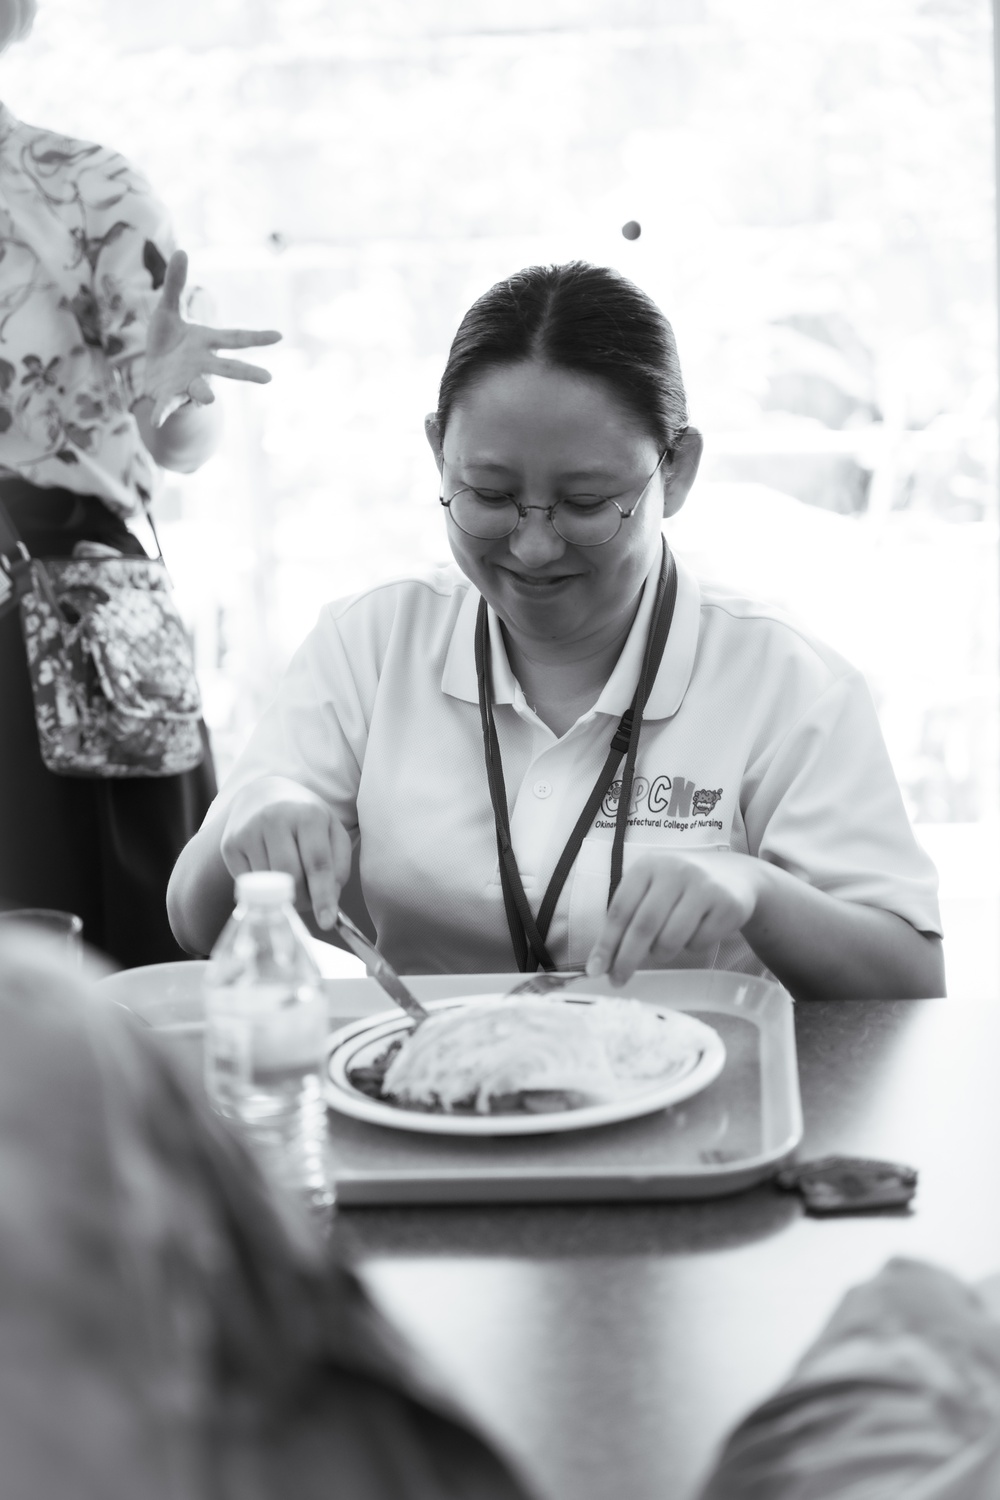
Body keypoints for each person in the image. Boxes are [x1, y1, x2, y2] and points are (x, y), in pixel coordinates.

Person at [168, 261, 944, 1001]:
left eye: (585, 503)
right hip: (426, 1103)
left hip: (700, 1117)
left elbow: (912, 983)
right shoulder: (370, 645)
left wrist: (758, 891)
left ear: (675, 472)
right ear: (438, 450)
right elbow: (191, 919)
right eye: (489, 493)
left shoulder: (780, 678)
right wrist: (257, 810)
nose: (534, 546)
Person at [0, 0, 281, 967]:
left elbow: (185, 434)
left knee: (109, 985)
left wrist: (174, 396)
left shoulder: (84, 189)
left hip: (56, 634)